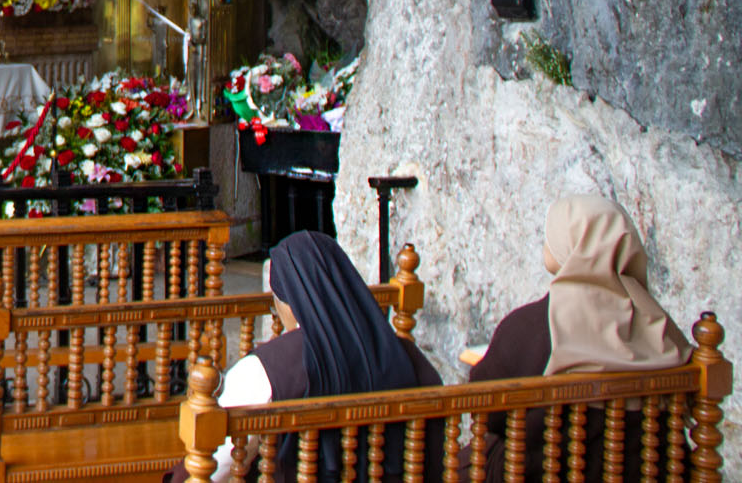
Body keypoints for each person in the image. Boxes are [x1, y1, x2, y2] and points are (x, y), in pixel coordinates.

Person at [187, 231, 443, 483]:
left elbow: (215, 465)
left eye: (275, 302)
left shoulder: (264, 370)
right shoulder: (406, 354)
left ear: (290, 302)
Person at [469, 195, 688, 483]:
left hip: (552, 470)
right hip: (653, 471)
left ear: (570, 246)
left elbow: (484, 411)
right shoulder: (660, 327)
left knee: (475, 458)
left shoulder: (530, 327)